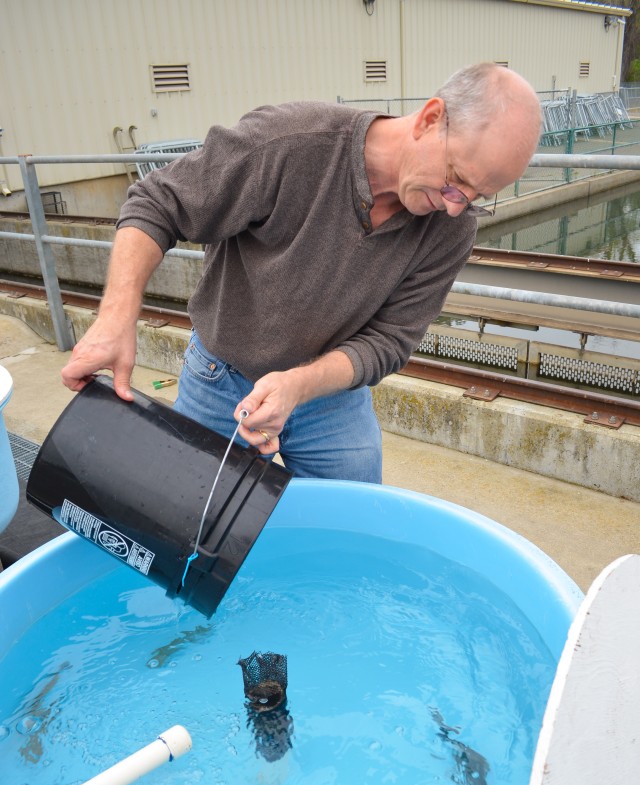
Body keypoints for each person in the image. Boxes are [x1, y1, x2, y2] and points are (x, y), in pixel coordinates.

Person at [61, 62, 541, 483]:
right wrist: (116, 319)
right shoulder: (290, 141)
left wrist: (298, 386)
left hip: (331, 396)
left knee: (349, 533)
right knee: (189, 524)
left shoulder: (452, 227)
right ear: (431, 118)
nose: (456, 208)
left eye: (477, 197)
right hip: (220, 379)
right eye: (456, 179)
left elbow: (390, 341)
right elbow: (158, 203)